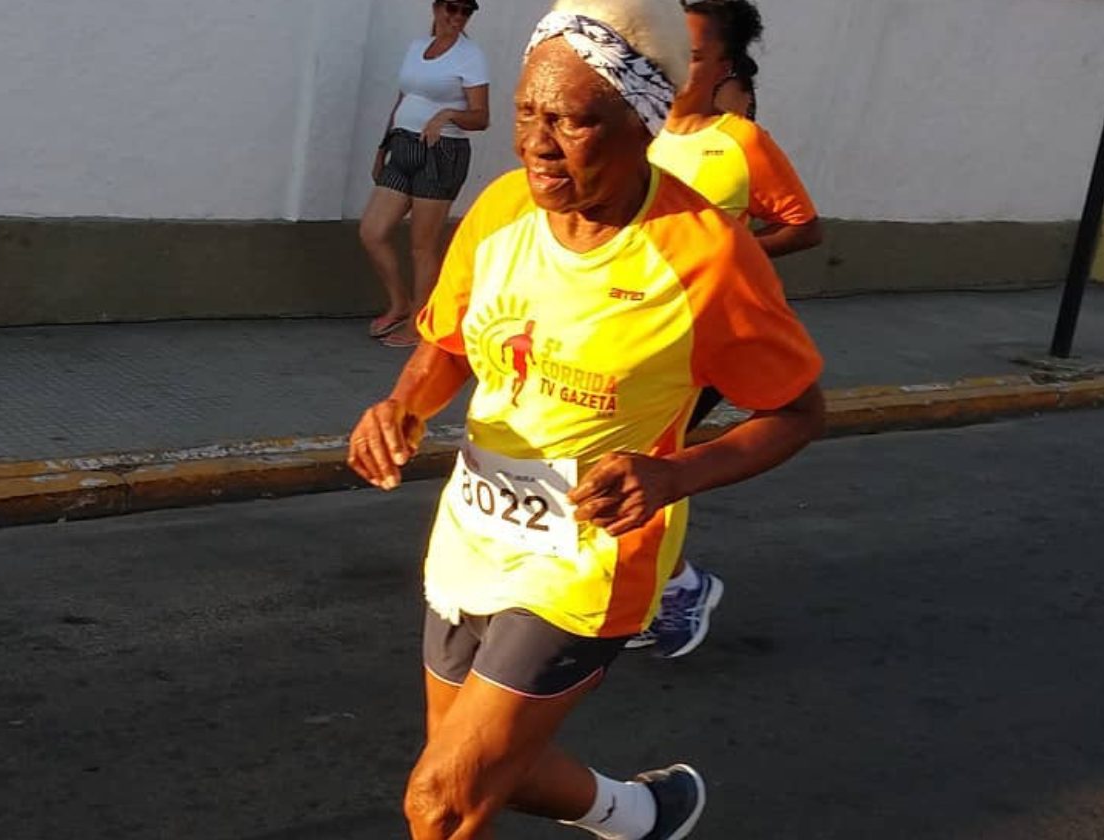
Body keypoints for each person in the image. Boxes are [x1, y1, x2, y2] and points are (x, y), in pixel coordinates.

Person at [346, 0, 826, 835]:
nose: (536, 140)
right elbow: (450, 345)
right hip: (474, 531)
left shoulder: (706, 256)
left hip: (590, 556)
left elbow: (796, 410)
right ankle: (641, 813)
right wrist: (400, 406)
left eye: (570, 120)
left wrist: (676, 473)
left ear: (641, 124)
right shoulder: (499, 210)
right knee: (476, 766)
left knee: (440, 800)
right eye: (529, 112)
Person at [638, 0, 823, 659]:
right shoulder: (643, 130)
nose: (672, 65)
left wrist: (730, 256)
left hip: (705, 336)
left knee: (646, 459)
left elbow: (804, 226)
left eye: (690, 55)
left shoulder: (740, 142)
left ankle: (677, 587)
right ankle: (652, 587)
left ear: (721, 66)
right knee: (623, 457)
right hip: (635, 330)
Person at [361, 0, 491, 348]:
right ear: (436, 8)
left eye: (466, 11)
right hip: (402, 147)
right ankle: (400, 303)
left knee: (422, 246)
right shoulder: (418, 47)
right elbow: (403, 97)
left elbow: (481, 117)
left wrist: (448, 114)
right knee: (372, 231)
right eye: (452, 8)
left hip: (441, 153)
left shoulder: (470, 56)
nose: (457, 17)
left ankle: (421, 323)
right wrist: (382, 147)